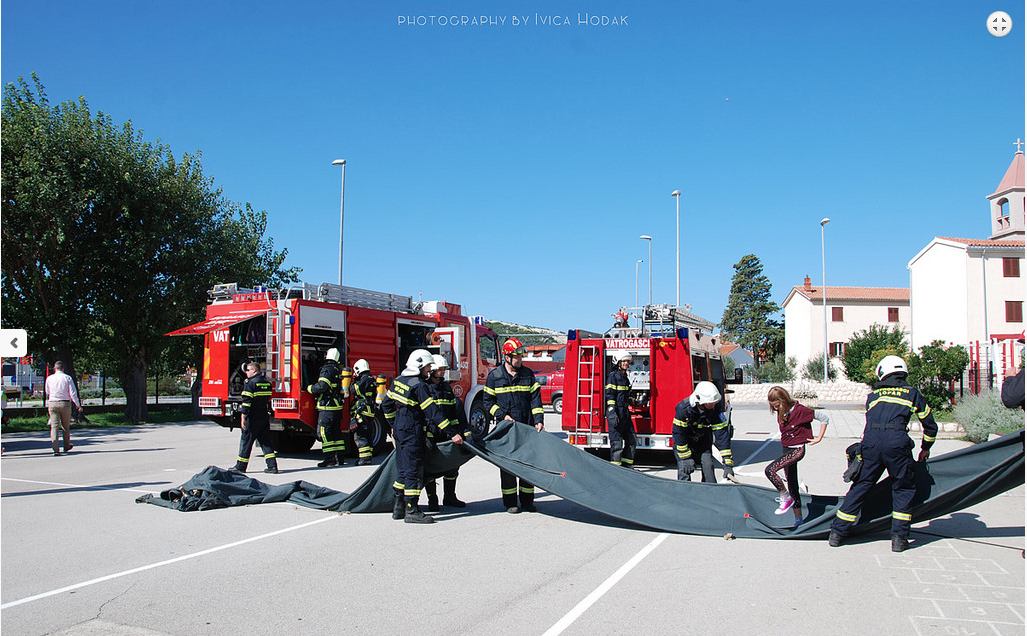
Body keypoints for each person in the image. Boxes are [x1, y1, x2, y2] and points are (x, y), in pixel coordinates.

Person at [829, 355, 938, 553]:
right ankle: (898, 539)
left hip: (870, 443)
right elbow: (930, 426)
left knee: (861, 486)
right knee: (903, 489)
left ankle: (836, 533)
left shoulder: (873, 396)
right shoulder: (911, 393)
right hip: (897, 444)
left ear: (882, 372)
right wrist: (925, 448)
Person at [381, 349, 453, 524]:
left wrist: (393, 424)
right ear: (419, 365)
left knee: (403, 468)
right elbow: (432, 412)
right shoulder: (418, 385)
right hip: (413, 430)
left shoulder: (398, 381)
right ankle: (412, 510)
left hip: (400, 430)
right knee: (414, 469)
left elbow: (386, 405)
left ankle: (398, 508)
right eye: (428, 366)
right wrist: (452, 432)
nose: (430, 370)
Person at [483, 337, 545, 513]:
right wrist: (502, 416)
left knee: (528, 465)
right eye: (517, 357)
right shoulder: (494, 377)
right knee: (508, 466)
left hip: (527, 428)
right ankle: (510, 502)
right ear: (507, 357)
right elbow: (487, 403)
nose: (520, 359)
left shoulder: (528, 375)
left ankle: (527, 501)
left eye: (521, 356)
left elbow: (535, 400)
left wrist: (539, 421)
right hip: (507, 430)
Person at [765, 386, 828, 526]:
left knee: (769, 470)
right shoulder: (781, 410)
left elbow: (824, 418)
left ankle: (784, 497)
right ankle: (798, 519)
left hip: (797, 450)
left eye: (776, 405)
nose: (775, 409)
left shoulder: (800, 410)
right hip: (786, 449)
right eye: (773, 406)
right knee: (792, 483)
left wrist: (819, 437)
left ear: (783, 400)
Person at [424, 354, 474, 511]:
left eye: (444, 369)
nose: (443, 372)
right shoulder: (424, 388)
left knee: (452, 466)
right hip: (431, 435)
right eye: (440, 369)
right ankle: (433, 500)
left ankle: (449, 496)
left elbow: (456, 410)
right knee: (429, 468)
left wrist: (464, 430)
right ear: (431, 369)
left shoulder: (446, 388)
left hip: (448, 434)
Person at [672, 381, 732, 483]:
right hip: (685, 444)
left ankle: (710, 494)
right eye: (711, 403)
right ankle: (683, 495)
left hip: (703, 443)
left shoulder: (715, 409)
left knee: (709, 470)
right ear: (700, 400)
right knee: (684, 471)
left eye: (715, 402)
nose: (713, 405)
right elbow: (679, 434)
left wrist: (728, 463)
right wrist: (685, 458)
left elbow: (722, 435)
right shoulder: (683, 409)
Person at [233, 362, 278, 474]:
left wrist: (243, 417)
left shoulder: (250, 383)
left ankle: (240, 467)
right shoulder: (267, 383)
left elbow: (246, 403)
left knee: (246, 442)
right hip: (263, 416)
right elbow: (268, 399)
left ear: (254, 370)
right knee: (265, 442)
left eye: (248, 370)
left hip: (252, 418)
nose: (246, 372)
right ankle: (272, 466)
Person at [307, 348, 347, 468]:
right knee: (336, 433)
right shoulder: (338, 369)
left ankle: (329, 459)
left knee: (325, 433)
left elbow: (322, 386)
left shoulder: (327, 370)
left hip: (327, 407)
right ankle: (340, 458)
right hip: (336, 407)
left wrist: (310, 388)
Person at [604, 351, 637, 467]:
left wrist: (633, 400)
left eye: (628, 361)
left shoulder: (625, 378)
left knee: (632, 440)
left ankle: (627, 466)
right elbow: (609, 395)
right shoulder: (613, 376)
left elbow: (625, 396)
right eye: (624, 361)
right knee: (617, 443)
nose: (626, 363)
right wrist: (612, 412)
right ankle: (616, 468)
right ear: (618, 362)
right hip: (616, 413)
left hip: (625, 414)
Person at [44, 361, 80, 456]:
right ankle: (66, 445)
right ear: (63, 368)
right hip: (65, 403)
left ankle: (55, 448)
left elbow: (47, 391)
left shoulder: (49, 378)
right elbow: (73, 393)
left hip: (52, 403)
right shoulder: (67, 377)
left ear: (55, 368)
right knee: (65, 426)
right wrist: (77, 404)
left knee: (54, 426)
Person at [350, 359, 377, 465]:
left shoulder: (364, 379)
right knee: (368, 435)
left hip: (363, 411)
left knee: (361, 435)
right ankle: (368, 457)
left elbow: (354, 390)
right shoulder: (371, 378)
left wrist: (352, 382)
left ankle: (364, 459)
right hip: (369, 411)